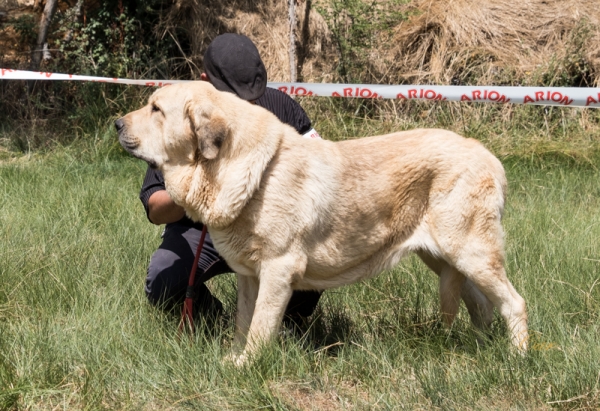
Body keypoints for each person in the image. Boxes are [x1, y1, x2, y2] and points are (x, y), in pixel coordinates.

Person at [139, 33, 322, 326]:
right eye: (232, 94)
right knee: (163, 280)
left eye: (252, 94)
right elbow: (155, 208)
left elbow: (320, 168)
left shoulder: (282, 106)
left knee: (314, 256)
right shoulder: (175, 119)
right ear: (204, 80)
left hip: (266, 230)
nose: (244, 104)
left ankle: (286, 324)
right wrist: (197, 189)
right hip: (201, 232)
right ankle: (213, 318)